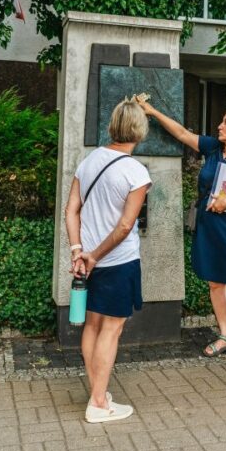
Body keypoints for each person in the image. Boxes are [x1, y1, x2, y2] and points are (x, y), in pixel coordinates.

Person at [136, 96, 226, 363]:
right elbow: (181, 133)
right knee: (214, 283)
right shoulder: (213, 148)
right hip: (208, 224)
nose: (220, 126)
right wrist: (152, 111)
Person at [65, 98, 152, 424]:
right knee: (111, 330)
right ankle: (99, 403)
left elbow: (71, 210)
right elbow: (126, 225)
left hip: (88, 263)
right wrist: (95, 255)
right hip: (117, 261)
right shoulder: (136, 172)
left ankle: (97, 392)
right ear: (139, 132)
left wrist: (78, 251)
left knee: (93, 325)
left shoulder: (89, 161)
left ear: (112, 125)